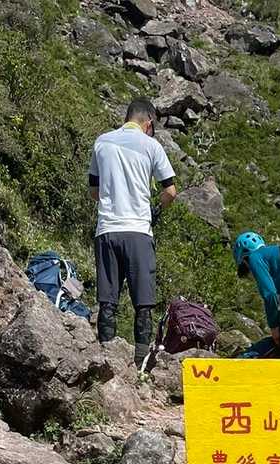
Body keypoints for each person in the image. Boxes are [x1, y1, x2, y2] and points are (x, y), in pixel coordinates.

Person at [88, 97, 177, 364]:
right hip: (138, 230)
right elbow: (170, 191)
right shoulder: (151, 146)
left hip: (107, 229)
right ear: (148, 123)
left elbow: (94, 190)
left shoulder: (102, 142)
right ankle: (141, 364)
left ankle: (106, 358)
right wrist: (154, 212)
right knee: (143, 303)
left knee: (108, 300)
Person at [233, 232, 280, 357]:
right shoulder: (276, 257)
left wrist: (274, 327)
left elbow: (270, 294)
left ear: (244, 259)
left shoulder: (254, 257)